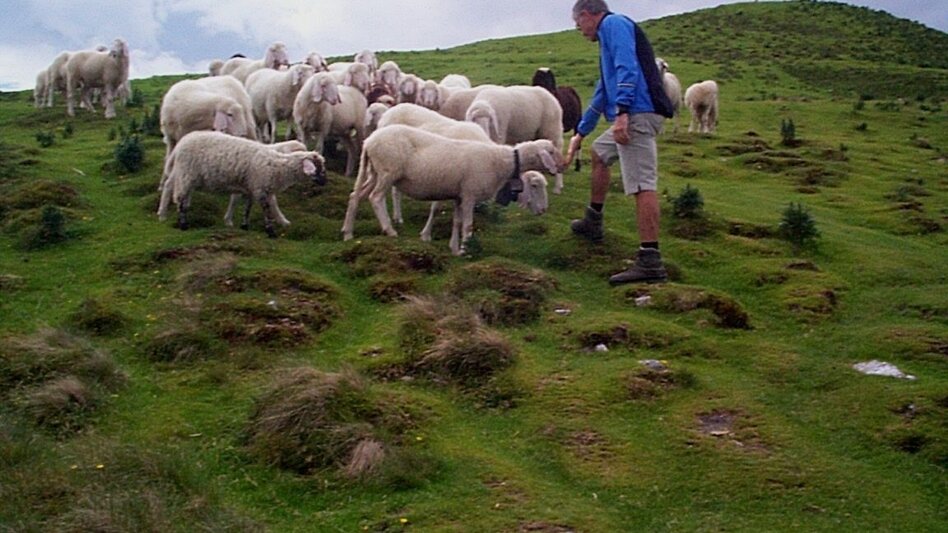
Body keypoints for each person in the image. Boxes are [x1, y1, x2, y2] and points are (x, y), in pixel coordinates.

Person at [565, 0, 674, 285]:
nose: (579, 30)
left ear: (588, 15)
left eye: (578, 24)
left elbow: (628, 68)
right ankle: (593, 221)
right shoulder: (606, 38)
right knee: (599, 153)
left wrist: (623, 112)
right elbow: (604, 90)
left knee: (641, 183)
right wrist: (580, 132)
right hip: (631, 112)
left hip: (637, 113)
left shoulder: (614, 25)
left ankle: (650, 260)